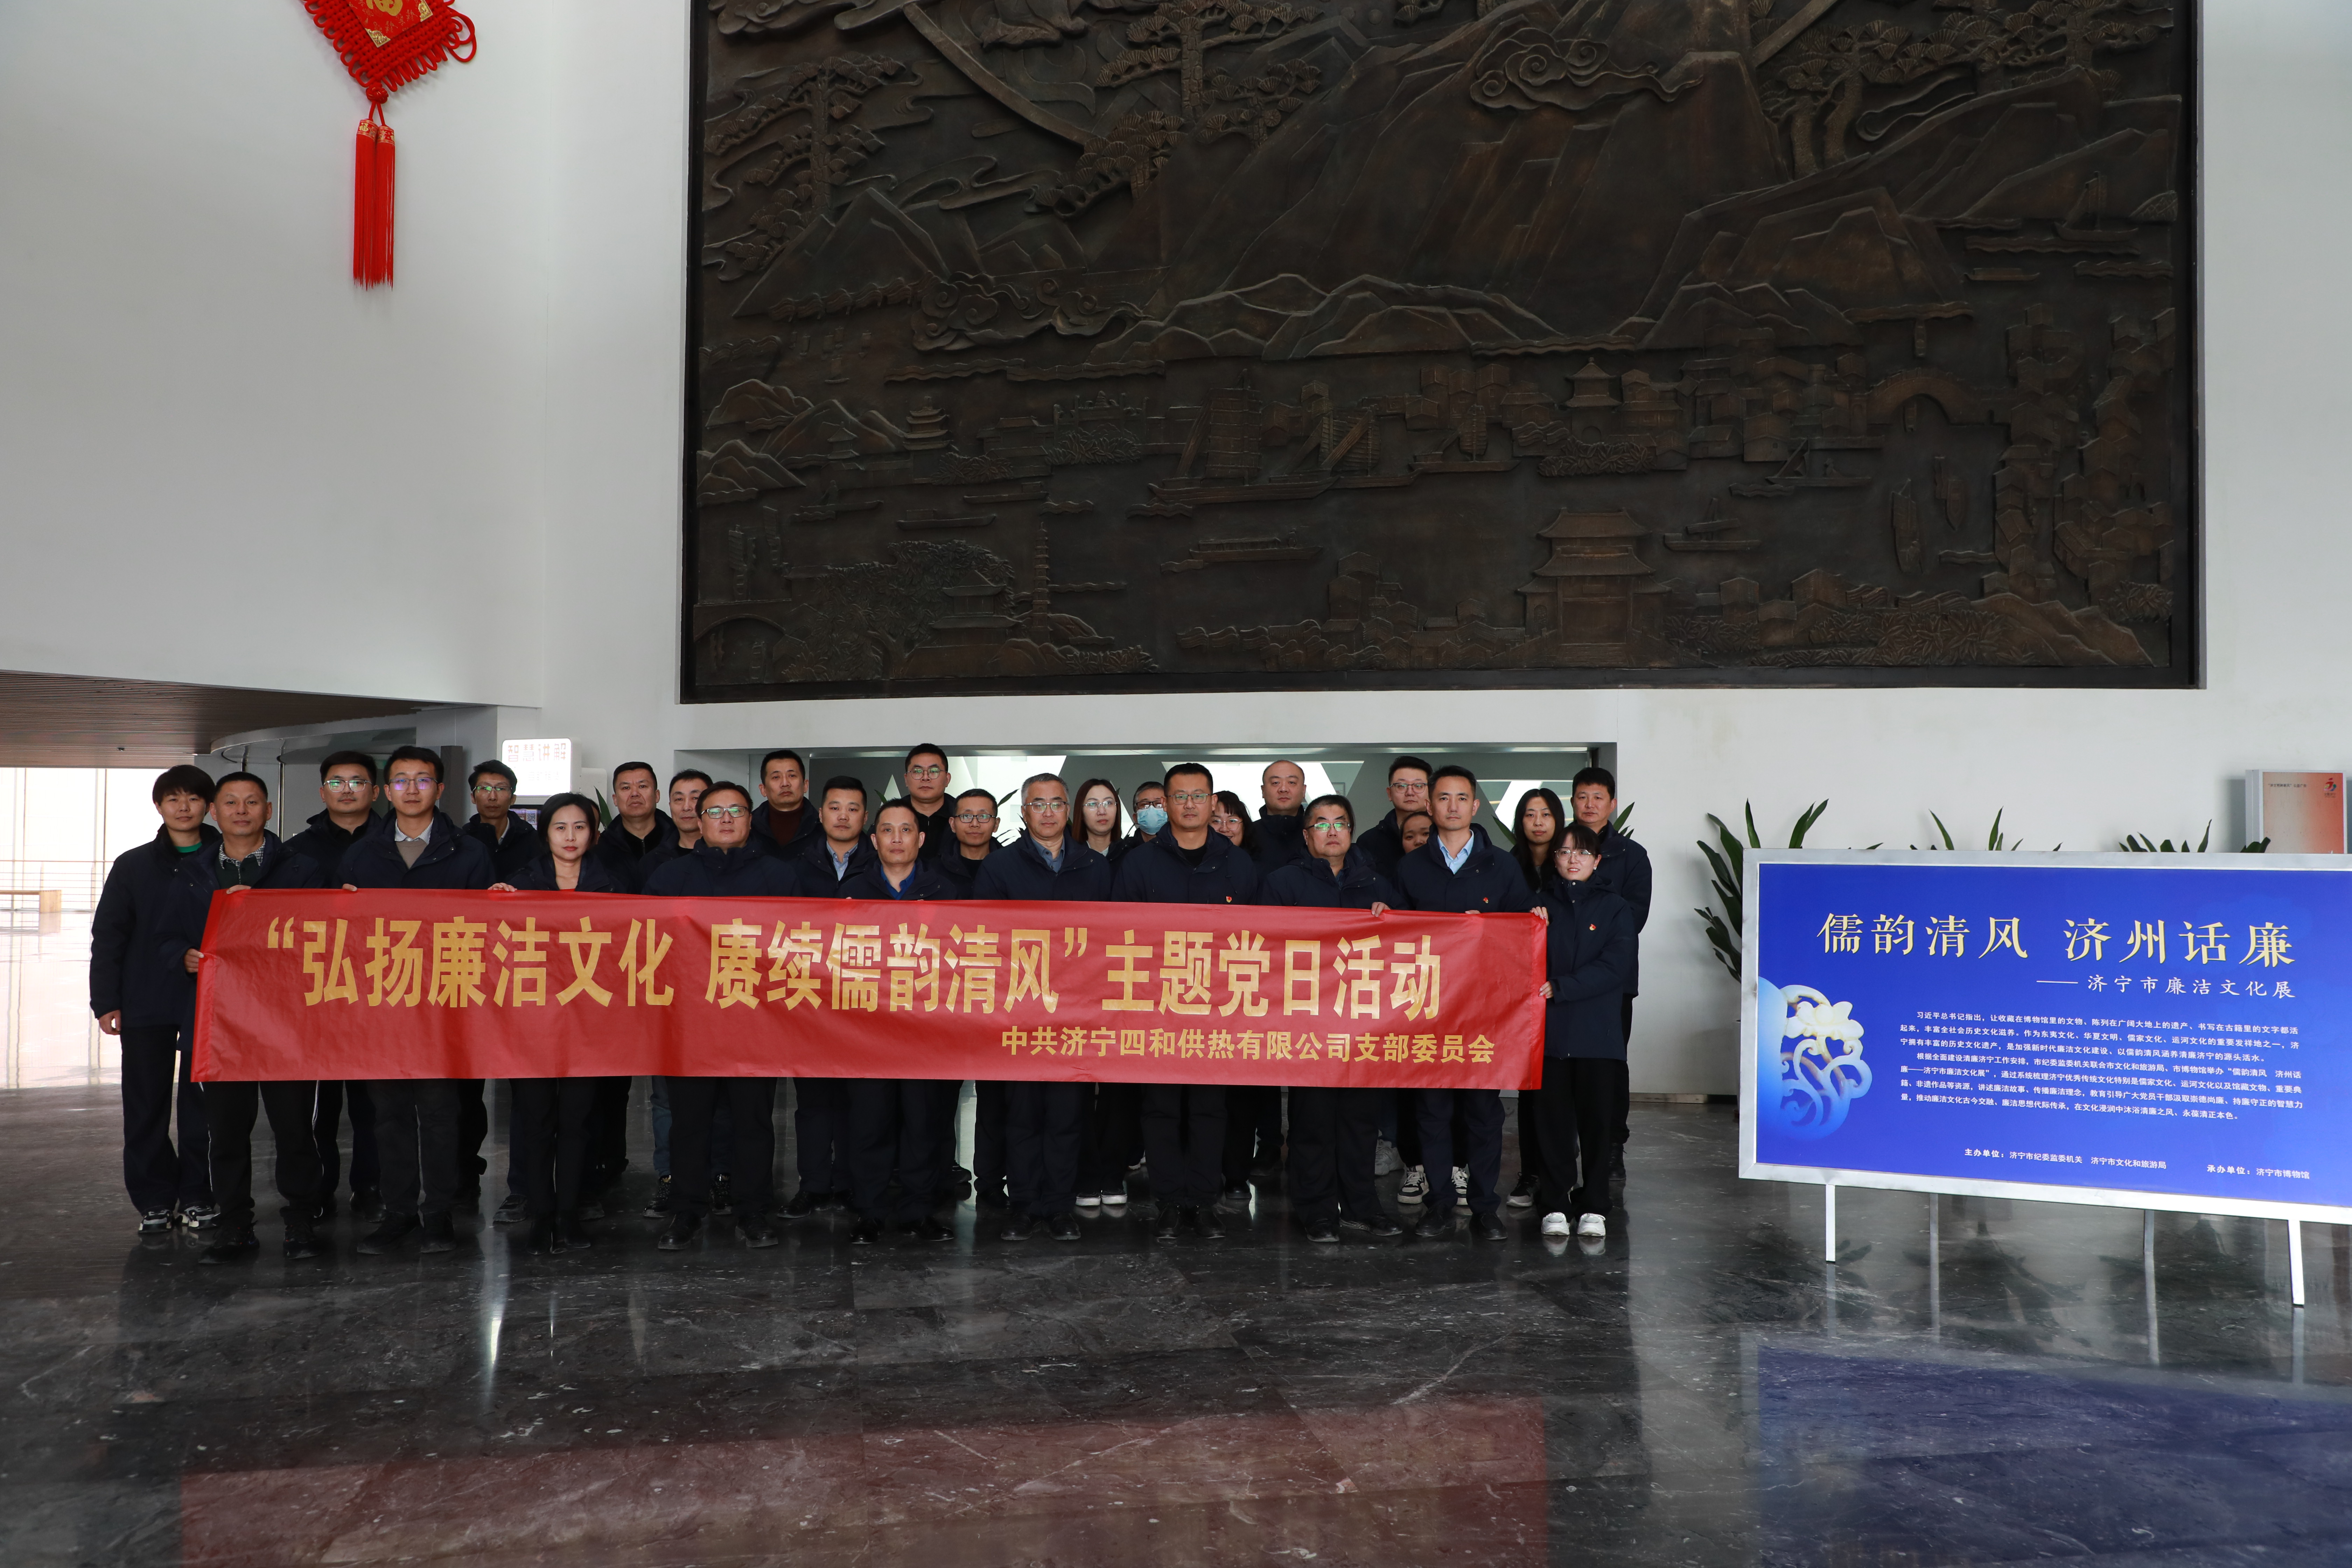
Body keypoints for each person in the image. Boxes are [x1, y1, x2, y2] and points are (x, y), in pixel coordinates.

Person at [161, 772, 328, 1263]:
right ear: (215, 812)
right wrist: (183, 956)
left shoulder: (302, 868)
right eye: (231, 802)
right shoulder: (190, 872)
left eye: (252, 802)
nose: (241, 811)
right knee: (227, 1132)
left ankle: (301, 1221)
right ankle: (235, 1225)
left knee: (295, 1129)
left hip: (285, 1021)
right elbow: (164, 935)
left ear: (268, 811)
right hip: (221, 1024)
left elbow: (323, 935)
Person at [337, 746, 497, 1256]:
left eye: (423, 780)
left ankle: (439, 1213)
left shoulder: (469, 852)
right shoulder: (362, 854)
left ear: (440, 789)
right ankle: (399, 1212)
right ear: (386, 791)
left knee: (441, 1111)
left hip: (446, 1003)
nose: (412, 789)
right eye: (402, 780)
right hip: (382, 1003)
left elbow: (487, 931)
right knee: (388, 1113)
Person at [643, 782, 796, 1249]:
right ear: (698, 819)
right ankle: (687, 1211)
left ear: (751, 819)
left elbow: (802, 944)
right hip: (689, 1025)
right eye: (715, 811)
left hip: (757, 1022)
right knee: (690, 1123)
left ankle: (754, 1211)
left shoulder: (780, 877)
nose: (726, 819)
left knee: (754, 1122)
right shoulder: (671, 877)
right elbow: (646, 945)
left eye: (736, 810)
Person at [1111, 763, 1258, 1240]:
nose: (1190, 805)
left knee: (1210, 1110)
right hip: (1157, 1008)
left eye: (1199, 796)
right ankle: (1170, 1202)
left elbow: (1260, 939)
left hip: (1219, 1011)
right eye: (1180, 796)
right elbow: (1121, 938)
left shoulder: (1238, 864)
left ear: (1213, 803)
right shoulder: (1140, 864)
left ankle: (1204, 1200)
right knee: (1160, 1110)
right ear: (1167, 802)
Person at [1393, 765, 1534, 1243]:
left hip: (1485, 1010)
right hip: (1429, 1007)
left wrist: (1489, 927)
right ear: (1428, 805)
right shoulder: (1411, 867)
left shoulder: (1502, 867)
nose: (1452, 807)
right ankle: (1438, 1204)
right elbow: (1396, 939)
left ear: (1475, 806)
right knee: (1432, 1110)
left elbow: (1523, 936)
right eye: (1443, 798)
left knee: (1483, 1111)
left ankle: (1484, 1206)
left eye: (1461, 798)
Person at [975, 773, 1110, 1242]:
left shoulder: (1095, 867)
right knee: (1023, 1115)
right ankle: (1024, 1205)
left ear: (1068, 811)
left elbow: (1111, 941)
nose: (1048, 812)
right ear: (1024, 812)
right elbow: (986, 941)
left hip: (1076, 1013)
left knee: (1068, 1116)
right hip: (1020, 1012)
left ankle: (1058, 1206)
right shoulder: (999, 868)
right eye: (1039, 804)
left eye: (1056, 804)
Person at [1262, 795, 1404, 1243]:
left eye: (1340, 822)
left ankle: (1362, 1205)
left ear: (1351, 832)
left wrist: (1391, 920)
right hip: (1306, 1023)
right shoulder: (1283, 883)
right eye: (1321, 824)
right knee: (1313, 1122)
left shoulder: (1377, 884)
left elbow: (1407, 946)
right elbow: (1263, 946)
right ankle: (1317, 1210)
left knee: (1361, 1122)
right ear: (1307, 836)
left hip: (1362, 1024)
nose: (1332, 831)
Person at [487, 793, 621, 1252]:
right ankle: (541, 1213)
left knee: (579, 1121)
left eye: (580, 827)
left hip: (590, 1026)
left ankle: (569, 1213)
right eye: (560, 827)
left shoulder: (613, 887)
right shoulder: (520, 884)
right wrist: (496, 904)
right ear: (545, 834)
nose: (570, 836)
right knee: (536, 1120)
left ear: (594, 833)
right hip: (532, 1026)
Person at [92, 764, 222, 1236]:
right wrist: (106, 1000)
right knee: (145, 1103)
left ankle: (199, 1194)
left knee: (203, 1106)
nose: (183, 808)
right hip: (144, 997)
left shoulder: (225, 860)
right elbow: (109, 934)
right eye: (173, 799)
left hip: (209, 1001)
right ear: (159, 806)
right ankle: (154, 1198)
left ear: (208, 806)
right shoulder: (133, 865)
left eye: (193, 799)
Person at [836, 800, 960, 1244]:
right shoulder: (851, 892)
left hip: (925, 1032)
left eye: (906, 830)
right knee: (869, 1124)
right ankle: (869, 1211)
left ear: (921, 839)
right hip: (867, 1032)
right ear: (874, 840)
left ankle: (918, 1212)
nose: (896, 838)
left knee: (923, 1125)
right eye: (887, 830)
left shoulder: (945, 891)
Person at [286, 750, 383, 1219]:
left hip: (381, 986)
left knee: (374, 1102)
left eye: (358, 782)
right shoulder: (297, 851)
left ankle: (372, 1187)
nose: (348, 790)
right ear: (323, 791)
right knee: (319, 1103)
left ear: (375, 791)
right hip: (317, 990)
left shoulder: (395, 843)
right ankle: (318, 1191)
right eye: (338, 782)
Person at [1531, 823, 1638, 1242]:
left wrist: (1563, 986)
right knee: (1552, 1126)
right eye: (1564, 852)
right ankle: (1554, 1204)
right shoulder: (1538, 906)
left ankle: (1594, 1204)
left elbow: (1616, 965)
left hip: (1598, 1034)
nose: (1573, 859)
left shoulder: (1615, 908)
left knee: (1597, 1125)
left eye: (1582, 852)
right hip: (1551, 1035)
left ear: (1597, 861)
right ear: (1554, 859)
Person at [776, 777, 873, 1215]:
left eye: (853, 808)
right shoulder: (794, 866)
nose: (843, 816)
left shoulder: (880, 866)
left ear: (865, 816)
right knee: (813, 1100)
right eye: (835, 807)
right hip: (809, 998)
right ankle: (813, 1184)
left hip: (863, 1000)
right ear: (821, 814)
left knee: (857, 1099)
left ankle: (851, 1182)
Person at [638, 768, 714, 1218]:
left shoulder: (745, 862)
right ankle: (671, 1178)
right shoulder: (657, 866)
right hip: (672, 1001)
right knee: (668, 1099)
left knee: (727, 1099)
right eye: (681, 798)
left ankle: (721, 1177)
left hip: (729, 997)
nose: (689, 806)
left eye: (698, 797)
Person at [1571, 766, 1651, 1171]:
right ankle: (1563, 1146)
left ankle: (1612, 1145)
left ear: (1612, 803)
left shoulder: (1631, 855)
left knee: (1610, 1063)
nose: (1590, 804)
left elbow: (1634, 918)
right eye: (1583, 796)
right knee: (1562, 1064)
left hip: (1613, 981)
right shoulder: (1560, 848)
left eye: (1598, 797)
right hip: (1561, 978)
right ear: (1572, 801)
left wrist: (1584, 941)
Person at [1073, 778, 1140, 1204]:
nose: (1102, 810)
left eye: (1109, 803)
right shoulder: (1068, 859)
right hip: (1077, 986)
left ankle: (1113, 1172)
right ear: (1079, 811)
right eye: (1093, 803)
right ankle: (1084, 1172)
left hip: (1126, 984)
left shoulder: (1136, 858)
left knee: (1121, 1086)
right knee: (1077, 1085)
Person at [1211, 787, 1279, 1204]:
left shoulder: (1260, 874)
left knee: (1241, 1096)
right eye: (1216, 819)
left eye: (1232, 820)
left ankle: (1236, 1174)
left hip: (1246, 995)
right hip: (1195, 993)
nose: (1224, 827)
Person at [1504, 787, 1567, 1208]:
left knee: (1562, 1087)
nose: (1538, 822)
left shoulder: (1572, 866)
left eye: (1546, 814)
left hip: (1563, 989)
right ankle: (1529, 1174)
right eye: (1530, 814)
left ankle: (1560, 1175)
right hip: (1519, 989)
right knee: (1530, 1087)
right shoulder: (1506, 866)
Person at [591, 762, 673, 893]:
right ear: (615, 799)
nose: (635, 794)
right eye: (626, 788)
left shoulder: (678, 841)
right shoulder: (599, 849)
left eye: (642, 786)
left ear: (657, 795)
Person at [1354, 756, 1433, 879]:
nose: (1410, 792)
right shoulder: (1369, 841)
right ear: (1390, 793)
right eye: (1402, 786)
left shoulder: (1445, 834)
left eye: (1418, 786)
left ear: (1431, 792)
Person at [461, 760, 541, 880]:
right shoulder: (462, 841)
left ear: (513, 799)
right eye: (485, 788)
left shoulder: (535, 842)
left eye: (501, 789)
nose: (493, 797)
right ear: (473, 797)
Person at [930, 787, 1001, 899]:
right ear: (953, 825)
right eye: (966, 816)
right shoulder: (933, 870)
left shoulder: (1011, 868)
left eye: (983, 816)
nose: (975, 824)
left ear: (996, 825)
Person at [751, 748, 819, 854]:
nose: (785, 783)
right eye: (776, 777)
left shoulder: (823, 826)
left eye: (792, 776)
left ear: (805, 786)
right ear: (763, 789)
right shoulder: (748, 827)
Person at [1252, 759, 1310, 872]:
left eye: (1292, 782)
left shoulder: (1317, 833)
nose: (1284, 789)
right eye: (1276, 783)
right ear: (1263, 791)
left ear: (1304, 791)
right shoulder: (1245, 834)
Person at [899, 744, 954, 858]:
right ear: (906, 780)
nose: (925, 778)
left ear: (947, 779)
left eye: (934, 771)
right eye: (918, 771)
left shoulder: (963, 817)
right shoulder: (890, 817)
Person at [1076, 778, 1129, 867]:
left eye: (1108, 803)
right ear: (1081, 812)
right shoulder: (1070, 856)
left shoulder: (1131, 857)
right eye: (1093, 804)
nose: (1102, 812)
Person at [1128, 780, 1168, 846]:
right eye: (1145, 805)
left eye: (1159, 804)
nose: (1151, 808)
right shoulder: (1125, 850)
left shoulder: (1183, 847)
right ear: (1135, 818)